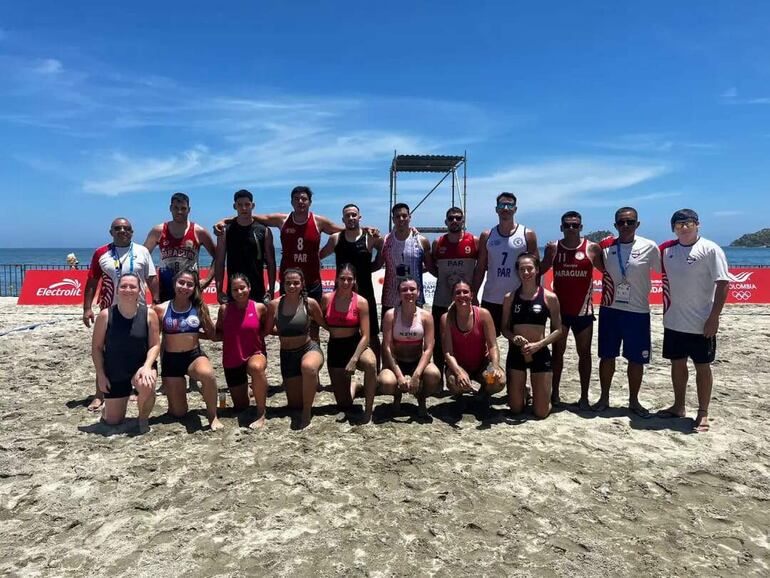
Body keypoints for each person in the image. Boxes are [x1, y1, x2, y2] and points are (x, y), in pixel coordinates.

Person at [215, 186, 368, 340]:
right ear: (291, 202)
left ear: (310, 202)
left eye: (304, 199)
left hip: (312, 281)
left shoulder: (318, 221)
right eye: (297, 199)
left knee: (313, 323)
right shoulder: (282, 219)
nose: (300, 201)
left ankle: (313, 353)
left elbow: (344, 230)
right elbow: (251, 217)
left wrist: (364, 231)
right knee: (287, 323)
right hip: (289, 282)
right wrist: (225, 221)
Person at [657, 209, 730, 433]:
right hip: (674, 321)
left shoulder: (710, 249)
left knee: (702, 367)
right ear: (673, 228)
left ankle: (703, 412)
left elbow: (723, 283)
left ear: (698, 224)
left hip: (701, 322)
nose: (684, 228)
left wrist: (714, 318)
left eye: (688, 223)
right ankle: (679, 406)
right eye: (679, 225)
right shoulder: (667, 250)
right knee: (677, 365)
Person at [83, 218, 158, 412]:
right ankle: (99, 394)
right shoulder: (101, 253)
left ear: (132, 232)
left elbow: (151, 278)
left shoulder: (142, 251)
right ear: (111, 232)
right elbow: (92, 281)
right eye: (118, 228)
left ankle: (133, 387)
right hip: (110, 310)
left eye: (126, 228)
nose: (122, 231)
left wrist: (156, 300)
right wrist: (87, 308)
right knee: (105, 350)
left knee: (137, 347)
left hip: (138, 308)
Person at [594, 207, 661, 416]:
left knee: (636, 359)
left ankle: (634, 401)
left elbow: (667, 272)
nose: (625, 226)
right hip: (610, 310)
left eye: (630, 222)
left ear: (637, 224)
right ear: (615, 225)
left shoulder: (649, 247)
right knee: (607, 357)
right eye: (621, 222)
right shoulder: (606, 247)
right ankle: (604, 398)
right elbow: (590, 255)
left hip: (638, 312)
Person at [540, 211, 603, 409]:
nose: (571, 228)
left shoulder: (592, 248)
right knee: (557, 353)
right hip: (560, 313)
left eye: (575, 225)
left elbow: (609, 272)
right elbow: (539, 270)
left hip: (583, 312)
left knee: (584, 354)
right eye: (567, 225)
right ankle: (555, 394)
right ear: (561, 227)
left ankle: (584, 397)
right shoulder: (553, 248)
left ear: (581, 227)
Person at [90, 273, 160, 434]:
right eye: (123, 286)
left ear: (140, 290)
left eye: (132, 286)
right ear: (117, 290)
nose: (128, 289)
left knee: (147, 383)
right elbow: (97, 348)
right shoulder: (105, 315)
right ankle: (108, 409)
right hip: (115, 370)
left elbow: (155, 345)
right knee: (113, 421)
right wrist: (101, 375)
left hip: (140, 366)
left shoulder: (149, 314)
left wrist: (148, 366)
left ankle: (143, 419)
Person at [154, 269, 223, 431]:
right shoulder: (161, 310)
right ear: (174, 284)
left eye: (190, 284)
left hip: (194, 356)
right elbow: (154, 341)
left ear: (195, 288)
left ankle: (213, 416)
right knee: (179, 413)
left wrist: (193, 333)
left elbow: (212, 335)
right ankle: (175, 402)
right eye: (181, 283)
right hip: (171, 361)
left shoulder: (199, 307)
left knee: (207, 374)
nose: (184, 287)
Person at [262, 268, 327, 429]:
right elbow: (267, 330)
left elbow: (325, 324)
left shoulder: (309, 303)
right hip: (287, 356)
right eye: (288, 283)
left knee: (309, 367)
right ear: (282, 284)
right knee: (294, 405)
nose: (292, 286)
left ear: (302, 284)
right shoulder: (274, 305)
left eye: (296, 283)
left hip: (308, 349)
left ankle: (307, 412)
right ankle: (304, 401)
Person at [319, 203, 384, 363]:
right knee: (338, 331)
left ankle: (375, 372)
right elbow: (318, 256)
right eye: (347, 215)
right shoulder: (336, 239)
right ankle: (339, 366)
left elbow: (386, 249)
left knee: (373, 334)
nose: (351, 218)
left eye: (354, 215)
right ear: (343, 219)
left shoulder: (369, 238)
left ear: (359, 217)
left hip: (365, 292)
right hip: (341, 293)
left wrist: (375, 265)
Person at [501, 253, 562, 419]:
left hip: (539, 352)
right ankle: (525, 392)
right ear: (517, 272)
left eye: (529, 269)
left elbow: (558, 330)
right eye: (522, 269)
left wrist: (539, 344)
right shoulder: (510, 298)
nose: (526, 273)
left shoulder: (549, 297)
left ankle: (542, 395)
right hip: (517, 353)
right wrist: (514, 338)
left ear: (537, 270)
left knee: (541, 413)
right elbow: (504, 328)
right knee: (515, 409)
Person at [472, 192, 539, 336]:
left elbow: (535, 268)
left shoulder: (527, 234)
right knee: (486, 342)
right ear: (496, 209)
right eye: (502, 205)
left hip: (518, 297)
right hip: (491, 298)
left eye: (510, 205)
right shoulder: (487, 235)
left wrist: (535, 294)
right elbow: (480, 267)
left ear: (515, 209)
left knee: (519, 341)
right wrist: (474, 293)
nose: (506, 208)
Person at [378, 277, 442, 417]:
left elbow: (429, 348)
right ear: (399, 294)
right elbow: (387, 347)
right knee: (385, 383)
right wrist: (399, 375)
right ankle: (397, 396)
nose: (409, 292)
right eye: (404, 290)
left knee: (434, 375)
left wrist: (417, 375)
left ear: (419, 292)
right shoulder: (391, 315)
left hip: (416, 361)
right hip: (396, 361)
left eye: (412, 289)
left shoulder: (426, 316)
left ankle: (421, 397)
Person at [322, 264, 378, 423]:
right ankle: (356, 386)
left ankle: (368, 411)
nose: (346, 282)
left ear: (354, 281)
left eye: (349, 279)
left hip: (355, 345)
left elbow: (366, 336)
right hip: (335, 347)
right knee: (344, 404)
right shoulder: (327, 299)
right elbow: (319, 322)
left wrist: (354, 359)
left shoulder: (361, 302)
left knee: (371, 363)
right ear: (336, 279)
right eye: (342, 279)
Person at [214, 273, 269, 429]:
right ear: (230, 292)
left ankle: (261, 413)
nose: (239, 292)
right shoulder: (224, 309)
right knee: (241, 407)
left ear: (249, 288)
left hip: (255, 354)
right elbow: (218, 332)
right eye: (235, 289)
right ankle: (253, 389)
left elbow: (266, 329)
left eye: (242, 288)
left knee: (256, 368)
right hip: (232, 359)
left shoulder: (259, 308)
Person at [143, 192, 218, 303]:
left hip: (190, 290)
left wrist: (207, 280)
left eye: (183, 208)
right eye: (176, 208)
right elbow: (142, 257)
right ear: (170, 208)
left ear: (189, 209)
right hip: (165, 289)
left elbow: (218, 256)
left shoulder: (199, 232)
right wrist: (151, 282)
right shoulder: (158, 231)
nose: (179, 212)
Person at [431, 207, 479, 373]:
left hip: (465, 300)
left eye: (458, 218)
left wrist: (475, 292)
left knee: (466, 337)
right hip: (442, 299)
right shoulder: (438, 243)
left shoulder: (474, 241)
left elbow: (481, 267)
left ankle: (464, 371)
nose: (454, 221)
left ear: (463, 221)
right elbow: (431, 267)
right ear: (446, 222)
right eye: (451, 218)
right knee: (439, 338)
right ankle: (438, 377)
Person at [441, 280, 505, 397]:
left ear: (472, 295)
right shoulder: (446, 318)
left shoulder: (483, 314)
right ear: (453, 296)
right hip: (460, 365)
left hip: (482, 366)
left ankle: (483, 394)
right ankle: (460, 398)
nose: (462, 295)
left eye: (465, 292)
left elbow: (493, 346)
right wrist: (459, 372)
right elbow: (448, 352)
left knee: (496, 381)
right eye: (458, 293)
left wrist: (495, 366)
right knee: (453, 382)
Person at [213, 189, 276, 304]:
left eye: (247, 204)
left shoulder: (264, 231)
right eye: (240, 205)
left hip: (257, 289)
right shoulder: (225, 231)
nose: (244, 208)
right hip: (234, 289)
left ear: (253, 206)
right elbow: (220, 262)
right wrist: (219, 290)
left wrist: (271, 289)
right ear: (234, 206)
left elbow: (271, 263)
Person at [376, 203, 433, 321]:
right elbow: (377, 265)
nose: (401, 219)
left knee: (415, 334)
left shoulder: (422, 241)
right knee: (389, 335)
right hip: (390, 298)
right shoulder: (385, 241)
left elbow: (431, 267)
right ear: (393, 219)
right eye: (397, 216)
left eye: (404, 216)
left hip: (414, 297)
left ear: (409, 217)